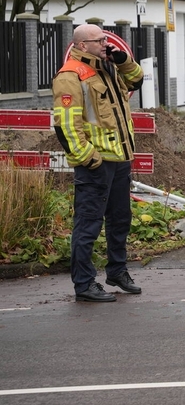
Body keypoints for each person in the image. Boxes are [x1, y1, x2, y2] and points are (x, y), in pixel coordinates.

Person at [52, 25, 145, 302]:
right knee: (88, 224)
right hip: (96, 163)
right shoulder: (70, 76)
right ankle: (84, 284)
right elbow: (66, 125)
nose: (106, 43)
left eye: (105, 38)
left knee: (120, 220)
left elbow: (137, 80)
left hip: (120, 159)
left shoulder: (109, 66)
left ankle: (117, 271)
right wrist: (88, 159)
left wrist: (124, 61)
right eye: (100, 40)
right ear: (82, 45)